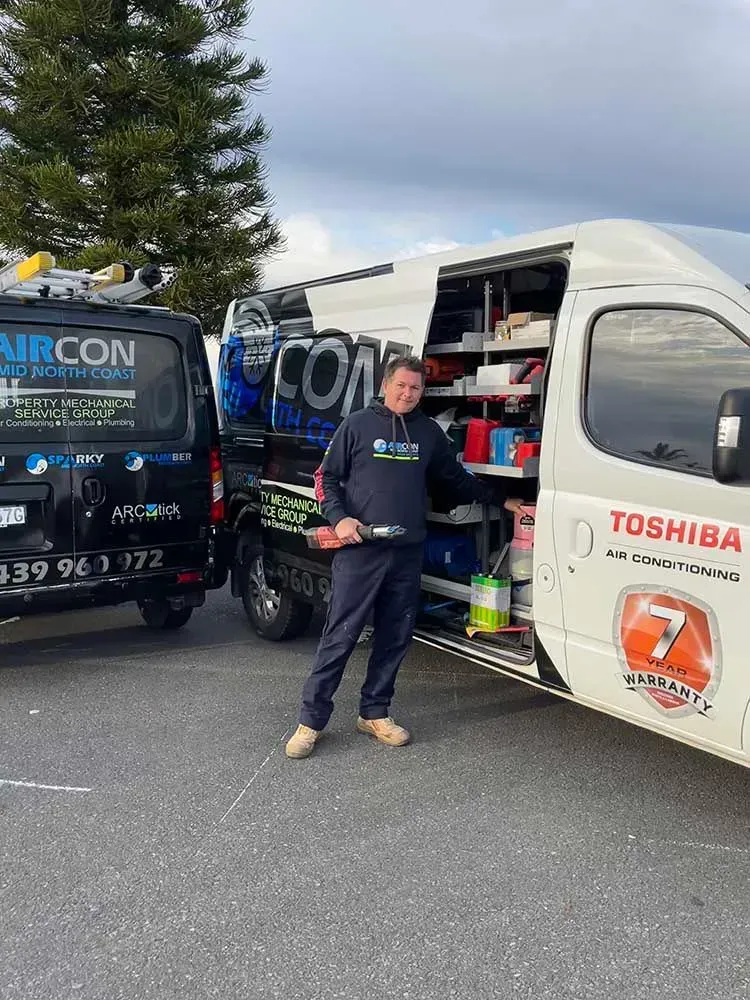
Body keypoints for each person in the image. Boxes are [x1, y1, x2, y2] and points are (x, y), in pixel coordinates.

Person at [285, 355, 524, 759]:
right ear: (385, 385)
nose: (407, 393)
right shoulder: (358, 424)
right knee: (340, 637)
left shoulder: (428, 433)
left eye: (415, 388)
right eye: (401, 385)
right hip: (360, 550)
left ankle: (374, 713)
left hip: (405, 554)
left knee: (395, 637)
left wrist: (503, 500)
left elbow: (456, 479)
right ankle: (310, 722)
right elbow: (325, 478)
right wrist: (340, 519)